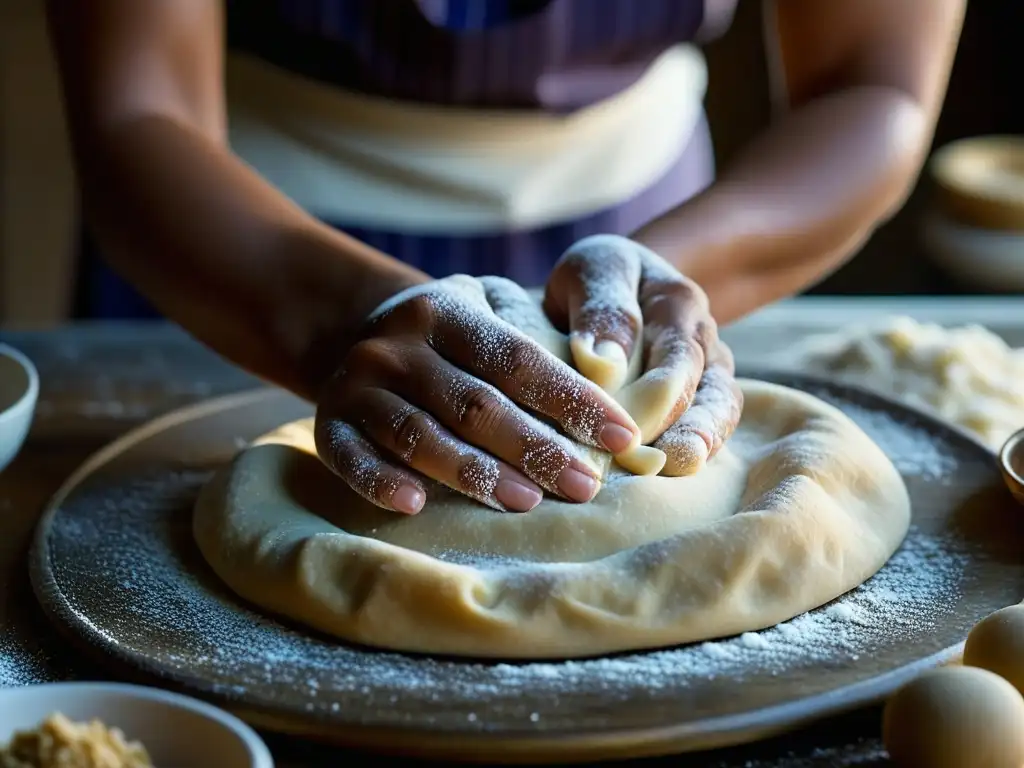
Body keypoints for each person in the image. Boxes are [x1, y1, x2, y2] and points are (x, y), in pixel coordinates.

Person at [46, 1, 964, 516]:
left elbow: (871, 85)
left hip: (660, 234)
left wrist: (641, 290)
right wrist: (339, 320)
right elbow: (137, 111)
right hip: (236, 257)